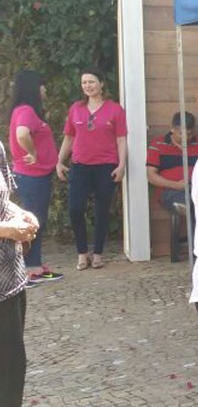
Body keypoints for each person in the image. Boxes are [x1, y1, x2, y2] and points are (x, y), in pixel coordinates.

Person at [0, 141, 45, 407]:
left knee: (12, 361)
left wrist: (23, 216)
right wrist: (8, 229)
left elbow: (5, 202)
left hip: (10, 276)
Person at [56, 70, 127, 271]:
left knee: (102, 210)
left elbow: (121, 139)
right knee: (75, 209)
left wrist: (121, 165)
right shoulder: (76, 109)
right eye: (84, 82)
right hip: (80, 166)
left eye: (92, 82)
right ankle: (82, 252)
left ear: (101, 84)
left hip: (106, 166)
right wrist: (59, 161)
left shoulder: (115, 110)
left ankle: (98, 254)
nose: (88, 85)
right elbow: (69, 137)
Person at [8, 69, 62, 285]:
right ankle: (30, 270)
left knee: (36, 220)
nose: (44, 89)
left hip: (34, 176)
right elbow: (22, 134)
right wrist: (32, 152)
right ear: (34, 87)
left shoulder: (22, 110)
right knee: (34, 222)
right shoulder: (27, 111)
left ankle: (35, 265)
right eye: (42, 85)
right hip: (32, 176)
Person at [146, 111, 198, 221]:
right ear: (172, 128)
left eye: (190, 134)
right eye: (181, 133)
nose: (186, 138)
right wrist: (175, 185)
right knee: (193, 205)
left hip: (196, 189)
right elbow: (150, 176)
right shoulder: (158, 144)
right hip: (169, 190)